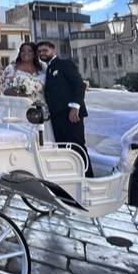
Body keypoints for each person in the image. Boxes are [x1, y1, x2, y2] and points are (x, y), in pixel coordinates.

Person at [37, 41, 94, 177]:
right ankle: (73, 177)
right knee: (64, 149)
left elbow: (79, 85)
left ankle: (88, 178)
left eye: (45, 50)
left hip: (71, 115)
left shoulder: (64, 64)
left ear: (54, 51)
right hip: (57, 117)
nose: (42, 54)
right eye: (39, 52)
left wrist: (75, 108)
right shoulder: (48, 69)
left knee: (77, 147)